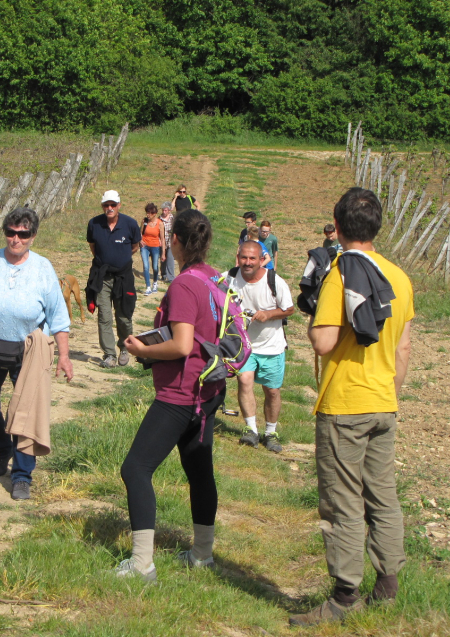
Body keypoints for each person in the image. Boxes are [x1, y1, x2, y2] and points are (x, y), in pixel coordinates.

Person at [291, 187, 413, 627]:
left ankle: (344, 597)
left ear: (337, 228)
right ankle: (387, 584)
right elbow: (402, 352)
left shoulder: (341, 273)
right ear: (377, 226)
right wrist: (388, 392)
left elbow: (324, 341)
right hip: (384, 401)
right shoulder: (399, 277)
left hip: (345, 403)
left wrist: (313, 318)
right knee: (382, 494)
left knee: (342, 501)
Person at [117, 209, 226, 582]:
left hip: (181, 393)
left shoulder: (182, 286)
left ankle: (141, 563)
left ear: (174, 240)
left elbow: (181, 346)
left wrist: (141, 350)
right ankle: (202, 555)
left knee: (135, 469)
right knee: (199, 471)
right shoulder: (214, 278)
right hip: (208, 390)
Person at [0, 207, 73, 501]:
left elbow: (58, 316)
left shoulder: (43, 268)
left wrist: (64, 355)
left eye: (23, 234)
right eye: (11, 233)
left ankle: (21, 476)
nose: (16, 239)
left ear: (33, 236)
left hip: (30, 352)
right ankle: (1, 448)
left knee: (26, 414)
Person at [227, 241, 294, 454]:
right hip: (244, 345)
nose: (247, 263)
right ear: (238, 257)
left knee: (272, 391)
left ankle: (271, 432)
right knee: (244, 381)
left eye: (252, 258)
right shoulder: (228, 278)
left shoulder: (274, 281)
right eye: (243, 258)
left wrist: (269, 314)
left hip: (271, 345)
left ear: (260, 259)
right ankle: (251, 429)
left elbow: (289, 309)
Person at [85, 190, 141, 368]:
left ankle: (124, 348)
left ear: (119, 205)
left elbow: (135, 246)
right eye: (106, 205)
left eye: (113, 205)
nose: (109, 208)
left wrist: (120, 258)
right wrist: (105, 260)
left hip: (123, 277)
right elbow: (93, 247)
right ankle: (109, 354)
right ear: (102, 206)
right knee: (104, 316)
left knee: (124, 315)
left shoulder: (130, 224)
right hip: (102, 277)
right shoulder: (94, 224)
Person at [139, 202, 165, 295]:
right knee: (146, 266)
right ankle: (148, 287)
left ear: (154, 214)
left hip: (155, 246)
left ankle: (155, 282)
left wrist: (163, 253)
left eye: (150, 213)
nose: (148, 215)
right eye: (147, 212)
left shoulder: (160, 223)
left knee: (155, 266)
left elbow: (162, 239)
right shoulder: (144, 221)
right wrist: (140, 240)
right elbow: (140, 232)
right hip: (145, 246)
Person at [159, 201, 175, 283]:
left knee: (170, 259)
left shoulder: (173, 218)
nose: (164, 212)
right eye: (163, 210)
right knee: (163, 259)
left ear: (169, 210)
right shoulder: (159, 219)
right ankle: (163, 274)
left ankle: (171, 277)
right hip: (162, 242)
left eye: (165, 210)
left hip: (170, 242)